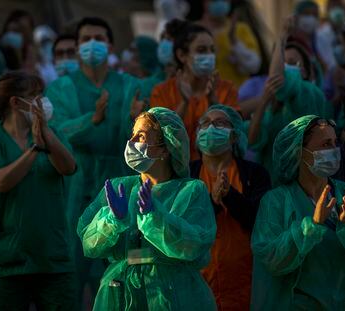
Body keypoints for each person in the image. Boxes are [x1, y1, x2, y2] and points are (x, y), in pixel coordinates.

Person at [45, 16, 143, 308]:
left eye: (99, 38)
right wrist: (93, 119)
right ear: (76, 48)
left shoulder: (130, 86)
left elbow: (145, 136)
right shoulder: (61, 89)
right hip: (74, 191)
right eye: (86, 39)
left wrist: (134, 119)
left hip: (121, 188)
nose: (92, 45)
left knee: (121, 274)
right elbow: (58, 131)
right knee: (70, 276)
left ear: (110, 45)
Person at [78, 107, 217, 310]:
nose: (132, 142)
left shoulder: (190, 190)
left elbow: (192, 245)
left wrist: (156, 217)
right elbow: (89, 246)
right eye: (132, 135)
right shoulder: (120, 188)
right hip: (119, 291)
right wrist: (111, 221)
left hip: (170, 293)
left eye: (141, 136)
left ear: (165, 148)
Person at [0, 71, 77, 310]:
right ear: (16, 102)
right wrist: (34, 150)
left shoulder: (52, 135)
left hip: (52, 258)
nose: (43, 103)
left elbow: (68, 167)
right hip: (5, 261)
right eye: (36, 96)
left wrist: (46, 135)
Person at [251, 115, 345, 309]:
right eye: (325, 144)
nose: (333, 150)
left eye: (335, 143)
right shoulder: (276, 202)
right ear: (299, 152)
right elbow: (272, 259)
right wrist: (311, 226)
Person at [190, 104, 270, 310]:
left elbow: (260, 220)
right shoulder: (187, 175)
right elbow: (184, 223)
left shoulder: (254, 174)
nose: (211, 128)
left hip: (244, 284)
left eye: (220, 123)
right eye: (205, 123)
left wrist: (230, 196)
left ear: (234, 136)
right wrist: (213, 201)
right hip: (197, 283)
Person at [248, 17, 333, 181]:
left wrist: (280, 40)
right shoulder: (272, 109)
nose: (285, 68)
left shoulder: (310, 94)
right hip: (274, 188)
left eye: (292, 63)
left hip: (305, 184)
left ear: (307, 72)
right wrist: (263, 102)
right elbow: (253, 140)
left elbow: (277, 79)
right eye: (282, 62)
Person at [151, 23, 239, 161]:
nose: (209, 56)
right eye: (201, 50)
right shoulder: (162, 92)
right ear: (182, 55)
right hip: (178, 173)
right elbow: (161, 139)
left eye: (212, 50)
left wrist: (213, 101)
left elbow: (235, 138)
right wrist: (184, 103)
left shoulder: (226, 89)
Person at [199, 0, 261, 87]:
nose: (220, 2)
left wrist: (234, 42)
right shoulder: (193, 31)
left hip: (239, 97)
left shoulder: (241, 30)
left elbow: (254, 66)